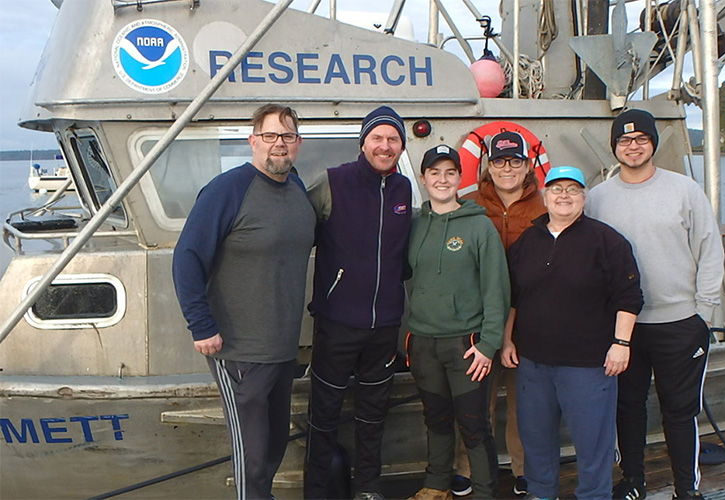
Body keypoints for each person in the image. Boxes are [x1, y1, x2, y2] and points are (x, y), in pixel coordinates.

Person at [172, 104, 316, 500]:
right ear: (253, 141)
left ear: (298, 143)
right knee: (250, 457)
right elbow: (187, 257)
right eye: (269, 136)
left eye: (287, 136)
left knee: (273, 448)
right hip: (238, 349)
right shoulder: (228, 190)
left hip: (283, 348)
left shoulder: (297, 188)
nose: (279, 145)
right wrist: (201, 325)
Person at [585, 109, 724, 500]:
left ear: (652, 144)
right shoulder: (597, 198)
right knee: (627, 408)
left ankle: (686, 489)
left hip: (680, 322)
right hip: (622, 328)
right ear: (615, 147)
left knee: (679, 412)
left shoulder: (685, 191)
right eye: (625, 140)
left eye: (641, 139)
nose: (633, 146)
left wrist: (705, 314)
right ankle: (633, 482)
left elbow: (710, 250)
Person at [503, 166, 644, 500]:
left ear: (584, 197)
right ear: (544, 195)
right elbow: (512, 296)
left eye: (572, 189)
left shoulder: (607, 240)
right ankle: (540, 493)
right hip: (533, 362)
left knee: (593, 442)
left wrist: (621, 343)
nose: (563, 196)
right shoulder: (528, 240)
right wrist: (508, 339)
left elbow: (630, 296)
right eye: (556, 189)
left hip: (588, 363)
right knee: (536, 438)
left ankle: (594, 496)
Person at [304, 106, 413, 500]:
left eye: (393, 139)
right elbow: (298, 231)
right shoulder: (332, 182)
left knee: (373, 414)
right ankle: (317, 491)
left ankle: (367, 488)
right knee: (324, 416)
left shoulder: (403, 189)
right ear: (363, 142)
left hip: (384, 326)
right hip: (337, 322)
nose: (385, 146)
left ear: (401, 146)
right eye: (377, 138)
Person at [406, 145, 509, 500]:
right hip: (423, 343)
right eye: (434, 173)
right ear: (423, 178)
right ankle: (436, 485)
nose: (442, 179)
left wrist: (488, 345)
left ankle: (484, 492)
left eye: (450, 172)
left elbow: (497, 289)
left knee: (474, 426)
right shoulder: (415, 225)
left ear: (459, 179)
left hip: (465, 346)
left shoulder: (479, 227)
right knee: (435, 419)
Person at [454, 130, 547, 497]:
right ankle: (467, 467)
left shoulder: (545, 205)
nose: (507, 168)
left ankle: (524, 469)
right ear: (487, 167)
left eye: (515, 160)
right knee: (476, 400)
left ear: (527, 166)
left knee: (526, 403)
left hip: (530, 322)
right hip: (479, 322)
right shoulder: (469, 204)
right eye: (499, 161)